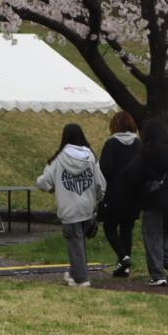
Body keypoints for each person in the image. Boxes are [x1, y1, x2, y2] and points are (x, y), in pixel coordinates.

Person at [36, 123, 105, 288]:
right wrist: (97, 199)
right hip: (87, 207)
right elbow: (100, 184)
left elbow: (43, 182)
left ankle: (82, 278)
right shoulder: (90, 156)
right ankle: (74, 273)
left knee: (75, 243)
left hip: (68, 209)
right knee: (79, 244)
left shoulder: (59, 158)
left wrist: (53, 187)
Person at [137, 115, 168, 286]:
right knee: (167, 233)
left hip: (154, 200)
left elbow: (140, 175)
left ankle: (157, 274)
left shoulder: (150, 154)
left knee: (153, 235)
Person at [96, 110, 142, 279]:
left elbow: (104, 169)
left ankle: (123, 257)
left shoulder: (111, 144)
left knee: (109, 227)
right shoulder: (139, 144)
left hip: (114, 193)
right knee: (127, 229)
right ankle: (124, 266)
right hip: (134, 194)